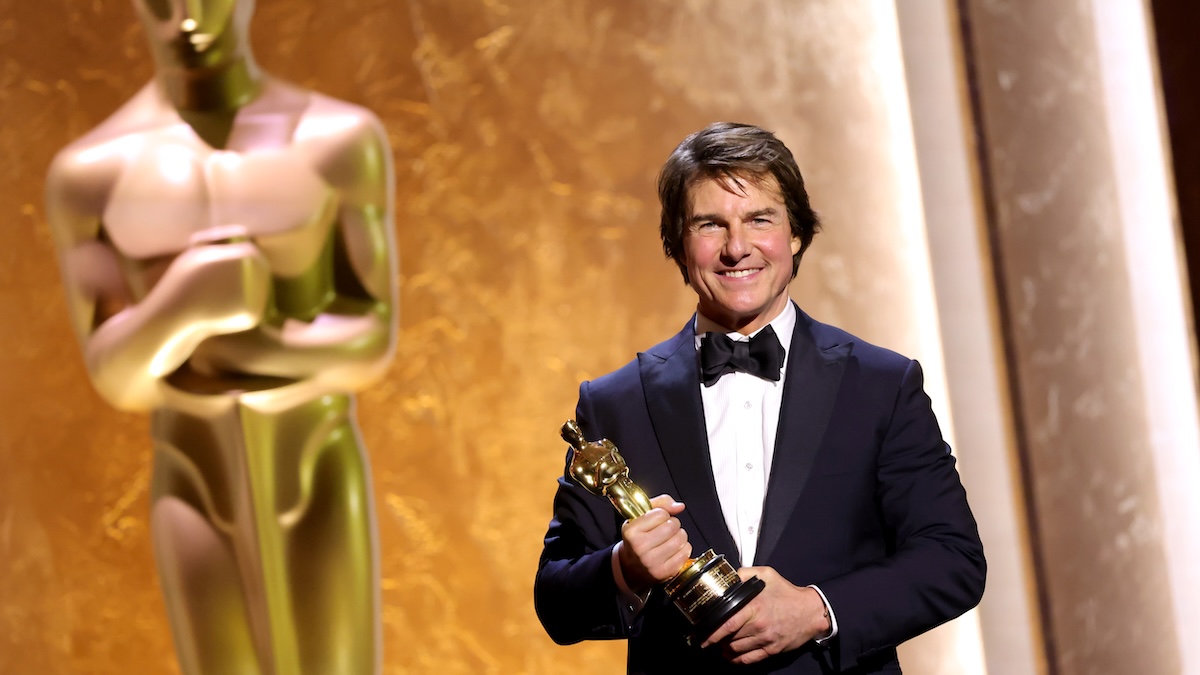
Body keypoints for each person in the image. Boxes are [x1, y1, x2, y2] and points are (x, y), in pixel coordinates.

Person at [534, 122, 985, 673]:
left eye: (759, 219)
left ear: (796, 233)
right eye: (710, 225)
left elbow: (952, 559)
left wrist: (818, 610)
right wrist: (625, 569)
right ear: (677, 244)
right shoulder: (614, 404)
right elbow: (555, 600)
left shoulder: (881, 385)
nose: (736, 247)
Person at [45, 1, 396, 673]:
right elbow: (113, 372)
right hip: (191, 471)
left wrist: (248, 349)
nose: (184, 15)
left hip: (314, 462)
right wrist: (181, 303)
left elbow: (371, 334)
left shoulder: (338, 140)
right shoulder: (90, 173)